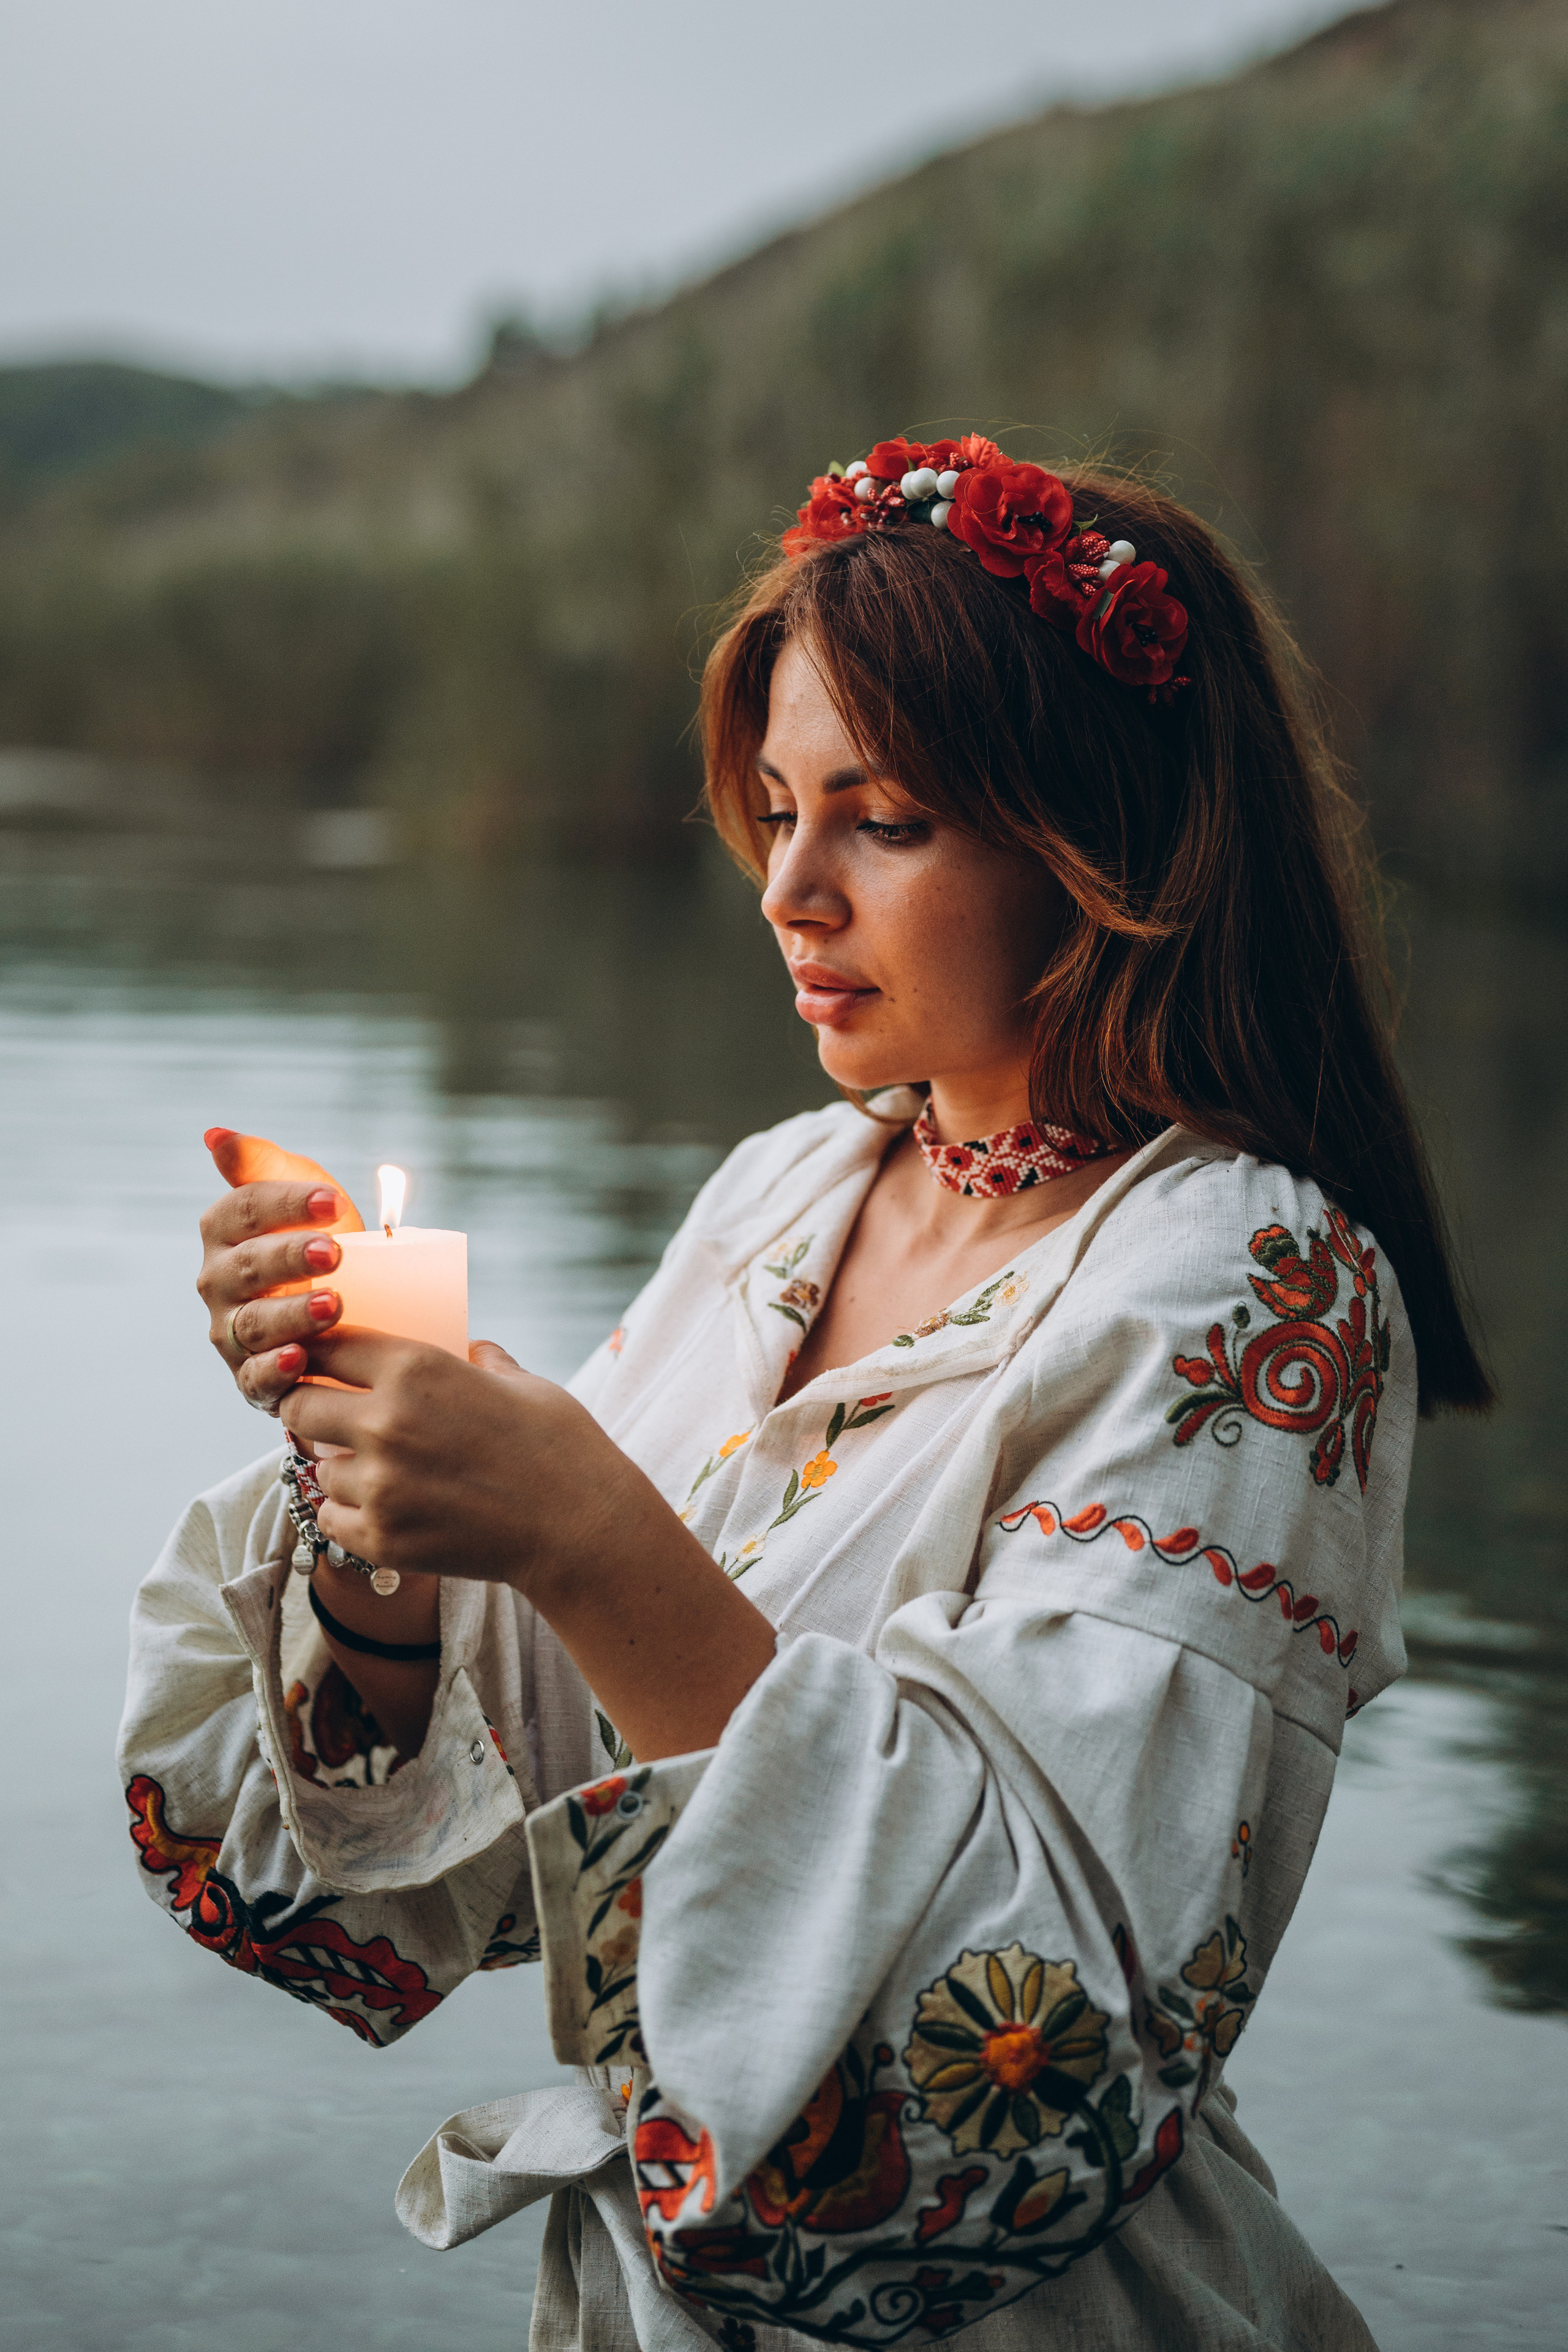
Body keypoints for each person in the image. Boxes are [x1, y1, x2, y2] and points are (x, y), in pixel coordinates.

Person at [119, 434, 1490, 2351]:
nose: (790, 889)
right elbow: (489, 1855)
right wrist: (393, 1529)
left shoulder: (1255, 1289)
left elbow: (1032, 2037)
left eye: (886, 818)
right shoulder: (792, 1187)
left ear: (1094, 842)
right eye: (774, 809)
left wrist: (591, 1534)